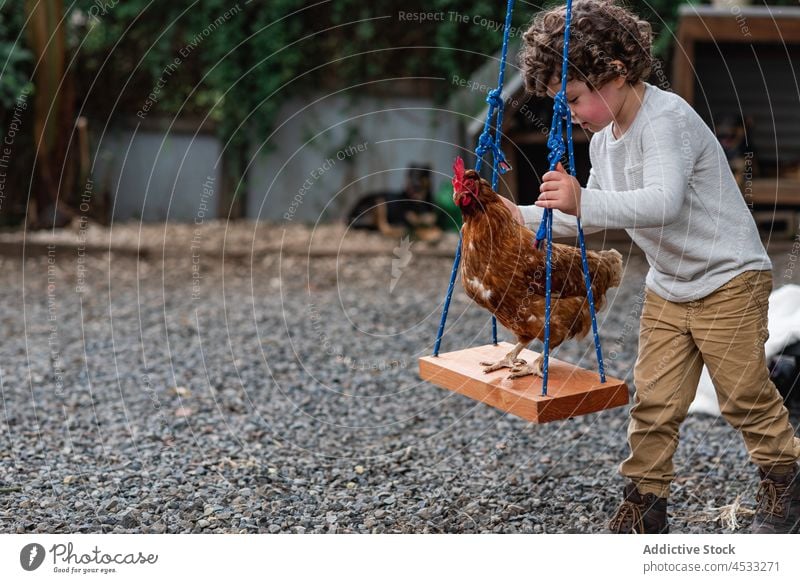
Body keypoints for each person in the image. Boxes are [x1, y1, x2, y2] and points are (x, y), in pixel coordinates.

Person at [502, 0, 800, 534]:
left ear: (613, 74)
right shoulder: (605, 139)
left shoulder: (667, 120)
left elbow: (661, 203)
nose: (566, 111)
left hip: (729, 277)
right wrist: (512, 219)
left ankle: (786, 481)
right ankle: (645, 502)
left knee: (742, 394)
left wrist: (580, 202)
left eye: (571, 98)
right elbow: (591, 213)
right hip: (670, 285)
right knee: (654, 399)